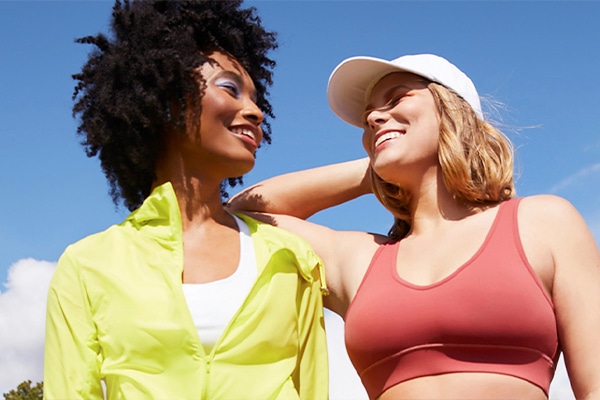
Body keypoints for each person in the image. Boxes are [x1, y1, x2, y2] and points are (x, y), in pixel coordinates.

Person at [229, 53, 600, 399]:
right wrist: (376, 166)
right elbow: (244, 213)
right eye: (368, 118)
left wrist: (431, 151)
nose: (374, 118)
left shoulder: (542, 223)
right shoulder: (361, 260)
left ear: (453, 113)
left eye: (396, 100)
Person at [43, 1, 329, 399]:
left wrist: (378, 172)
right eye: (230, 88)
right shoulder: (88, 265)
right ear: (166, 99)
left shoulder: (290, 258)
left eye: (256, 97)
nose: (255, 111)